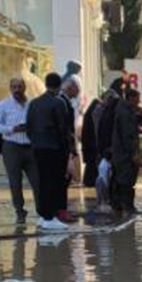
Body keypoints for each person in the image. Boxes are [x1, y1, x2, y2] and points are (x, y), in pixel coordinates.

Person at [26, 72, 75, 231]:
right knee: (53, 183)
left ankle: (43, 215)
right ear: (59, 85)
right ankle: (49, 217)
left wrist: (35, 142)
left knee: (42, 181)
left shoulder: (34, 103)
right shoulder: (58, 103)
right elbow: (63, 129)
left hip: (37, 147)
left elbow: (29, 127)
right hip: (54, 148)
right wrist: (68, 150)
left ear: (46, 84)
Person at [0, 77, 39, 223]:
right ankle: (20, 211)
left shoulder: (32, 104)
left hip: (30, 146)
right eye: (14, 87)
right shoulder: (4, 105)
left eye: (19, 86)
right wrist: (12, 129)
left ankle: (41, 210)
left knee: (37, 180)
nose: (17, 90)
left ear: (24, 87)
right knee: (15, 182)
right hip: (11, 146)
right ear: (10, 88)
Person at [109, 87, 142, 217]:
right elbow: (127, 135)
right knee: (126, 180)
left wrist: (138, 117)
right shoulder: (124, 112)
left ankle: (120, 206)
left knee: (124, 180)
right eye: (136, 101)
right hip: (124, 154)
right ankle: (127, 206)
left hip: (123, 153)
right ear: (130, 98)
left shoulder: (127, 110)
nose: (138, 103)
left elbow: (132, 127)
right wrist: (133, 153)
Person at [59, 75, 82, 222]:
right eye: (77, 90)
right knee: (63, 180)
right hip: (64, 148)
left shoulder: (66, 102)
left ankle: (62, 210)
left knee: (65, 181)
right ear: (70, 87)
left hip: (66, 147)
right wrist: (71, 150)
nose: (78, 93)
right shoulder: (62, 102)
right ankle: (60, 211)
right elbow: (66, 129)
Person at [81, 95, 102, 187]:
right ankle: (90, 182)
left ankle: (88, 181)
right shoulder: (95, 112)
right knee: (93, 163)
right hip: (92, 142)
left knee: (90, 164)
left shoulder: (89, 113)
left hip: (87, 142)